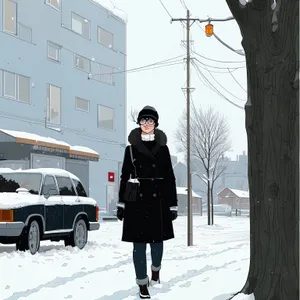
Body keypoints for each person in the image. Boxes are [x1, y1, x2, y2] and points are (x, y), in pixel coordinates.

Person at [116, 105, 178, 299]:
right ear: (139, 124)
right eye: (143, 121)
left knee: (157, 242)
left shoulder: (163, 149)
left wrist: (172, 204)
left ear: (156, 124)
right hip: (136, 201)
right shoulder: (131, 149)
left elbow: (169, 177)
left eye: (150, 121)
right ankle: (142, 283)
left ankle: (156, 270)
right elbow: (124, 176)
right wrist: (121, 204)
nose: (147, 124)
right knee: (139, 245)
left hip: (158, 200)